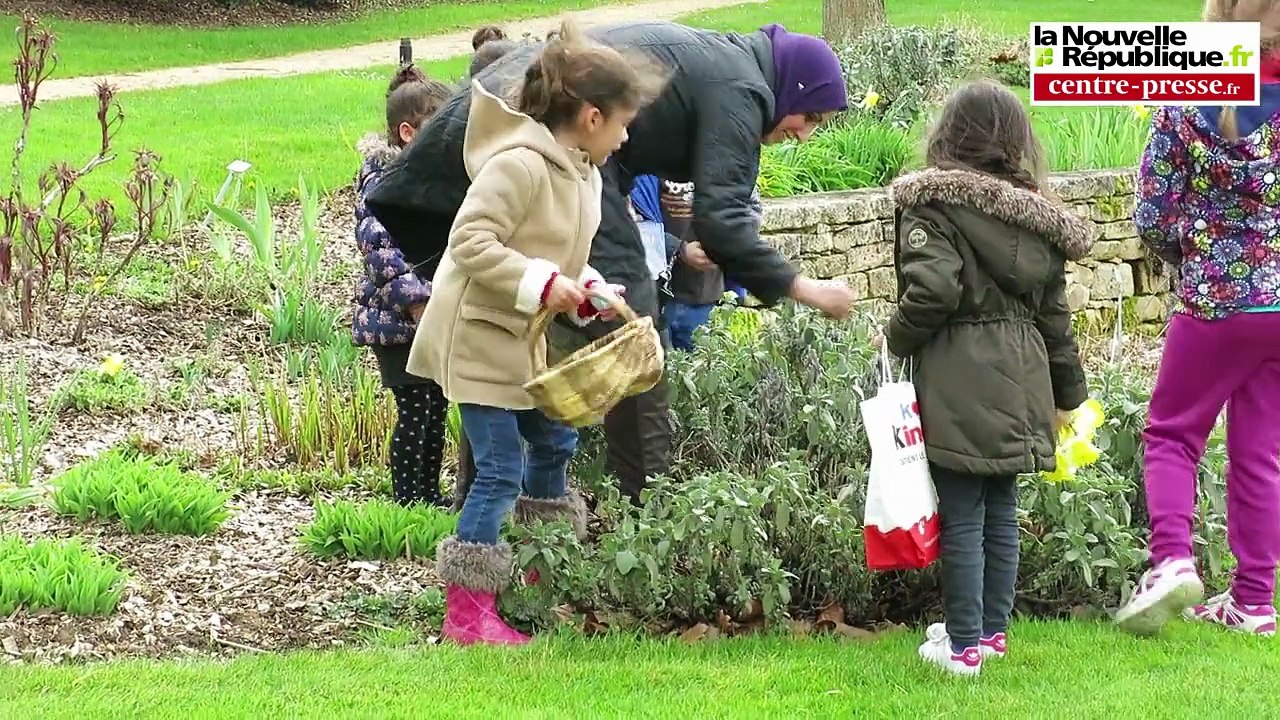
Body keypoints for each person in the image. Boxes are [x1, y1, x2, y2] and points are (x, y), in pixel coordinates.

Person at [367, 21, 858, 504]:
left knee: (558, 306)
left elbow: (716, 214)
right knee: (634, 328)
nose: (806, 135)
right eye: (810, 118)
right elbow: (724, 220)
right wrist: (808, 289)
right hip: (539, 126)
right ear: (792, 91)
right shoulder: (741, 89)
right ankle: (651, 507)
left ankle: (497, 495)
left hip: (547, 131)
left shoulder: (732, 69)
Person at [407, 20, 666, 646]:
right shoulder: (518, 165)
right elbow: (470, 244)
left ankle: (534, 579)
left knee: (554, 446)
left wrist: (590, 290)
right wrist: (548, 286)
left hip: (528, 349)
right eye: (625, 122)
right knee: (498, 470)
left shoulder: (586, 174)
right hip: (481, 343)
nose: (628, 135)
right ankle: (469, 614)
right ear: (592, 117)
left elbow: (562, 258)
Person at [884, 79, 1095, 676]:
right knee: (1001, 507)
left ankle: (962, 645)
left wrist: (894, 337)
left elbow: (934, 290)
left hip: (958, 375)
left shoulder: (932, 205)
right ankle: (991, 633)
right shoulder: (1035, 218)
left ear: (949, 137)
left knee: (962, 513)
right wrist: (1068, 396)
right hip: (1024, 377)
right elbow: (1056, 319)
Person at [1114, 0, 1280, 639]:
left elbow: (1153, 213)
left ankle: (1170, 560)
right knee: (1259, 453)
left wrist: (1190, 251)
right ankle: (1256, 602)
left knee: (1172, 433)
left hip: (1214, 298)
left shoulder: (1189, 98)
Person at [351, 65, 454, 508]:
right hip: (396, 323)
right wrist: (415, 301)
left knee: (435, 410)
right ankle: (409, 501)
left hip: (429, 317)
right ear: (409, 132)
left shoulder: (430, 179)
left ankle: (429, 495)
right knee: (414, 412)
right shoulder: (382, 183)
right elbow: (380, 251)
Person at [661, 178, 762, 351]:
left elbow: (750, 209)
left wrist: (723, 242)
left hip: (705, 298)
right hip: (658, 297)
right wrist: (679, 248)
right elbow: (638, 221)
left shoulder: (723, 158)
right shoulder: (649, 158)